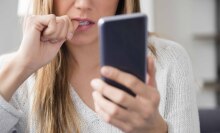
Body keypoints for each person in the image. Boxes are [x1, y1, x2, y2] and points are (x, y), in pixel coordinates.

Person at [0, 0, 200, 132]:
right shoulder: (13, 74)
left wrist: (156, 130)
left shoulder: (168, 60)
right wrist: (22, 66)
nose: (84, 4)